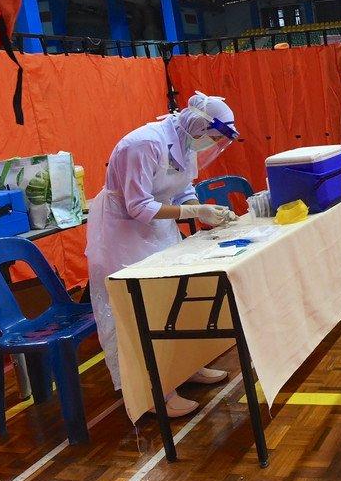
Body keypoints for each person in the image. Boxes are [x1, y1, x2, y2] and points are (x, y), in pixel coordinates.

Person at [87, 92, 241, 418]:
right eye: (213, 136)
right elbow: (138, 206)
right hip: (121, 235)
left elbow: (183, 187)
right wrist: (193, 210)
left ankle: (186, 368)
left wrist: (201, 210)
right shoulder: (142, 145)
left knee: (171, 299)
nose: (211, 143)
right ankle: (158, 391)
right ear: (200, 125)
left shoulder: (185, 142)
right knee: (142, 309)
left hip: (157, 229)